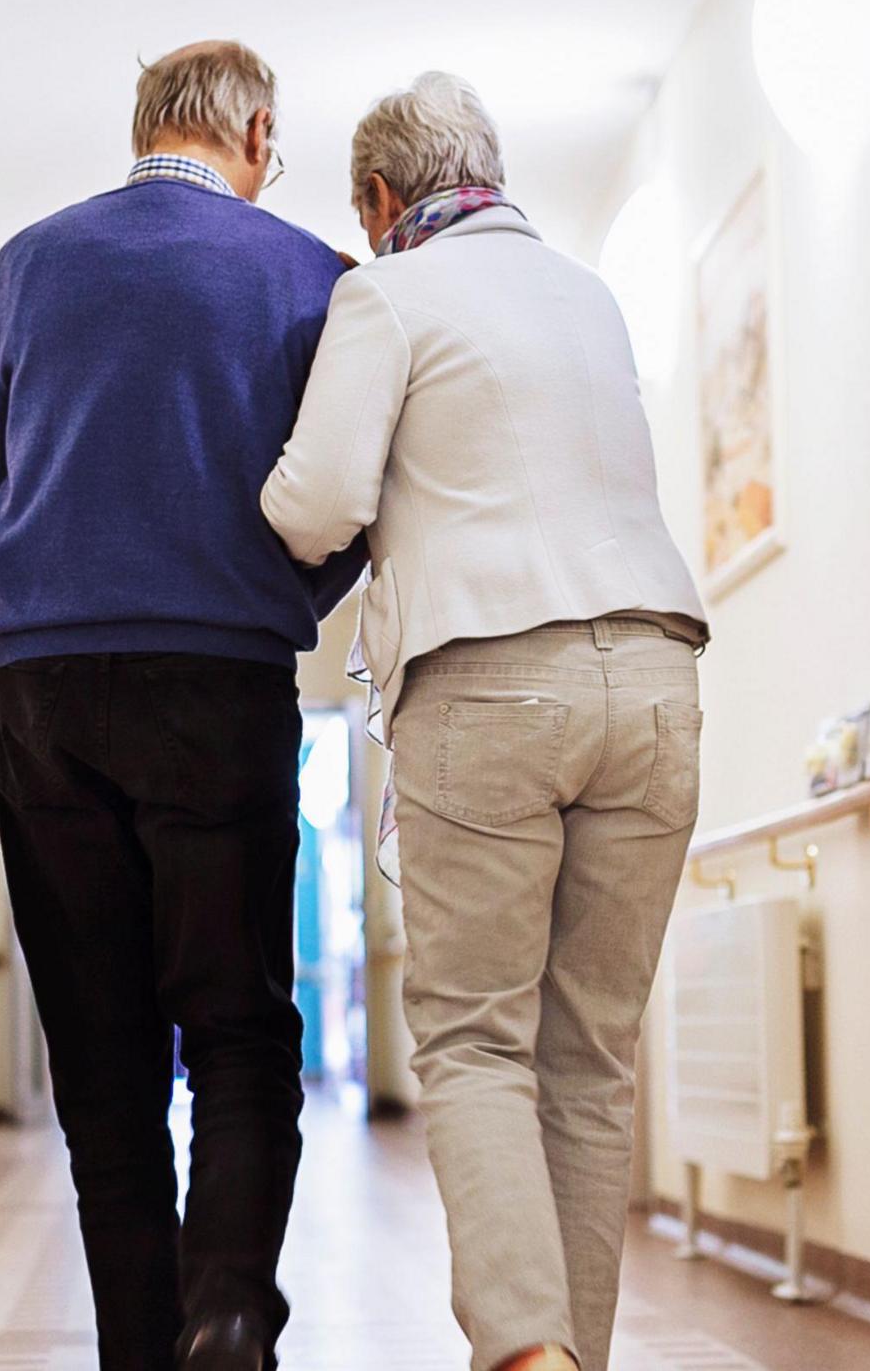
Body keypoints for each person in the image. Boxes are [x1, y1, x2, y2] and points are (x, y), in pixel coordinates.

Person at [260, 72, 710, 1371]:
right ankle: (566, 1353)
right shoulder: (588, 293)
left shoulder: (388, 291)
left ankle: (523, 1357)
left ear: (380, 199)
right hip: (657, 675)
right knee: (590, 1061)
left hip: (491, 677)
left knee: (472, 1042)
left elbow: (317, 504)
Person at [0, 40, 361, 1371]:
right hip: (222, 678)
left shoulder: (26, 262)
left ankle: (139, 1350)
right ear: (253, 131)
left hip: (48, 690)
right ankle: (231, 1318)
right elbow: (351, 490)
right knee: (242, 1029)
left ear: (147, 127)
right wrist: (291, 590)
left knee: (104, 1066)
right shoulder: (315, 276)